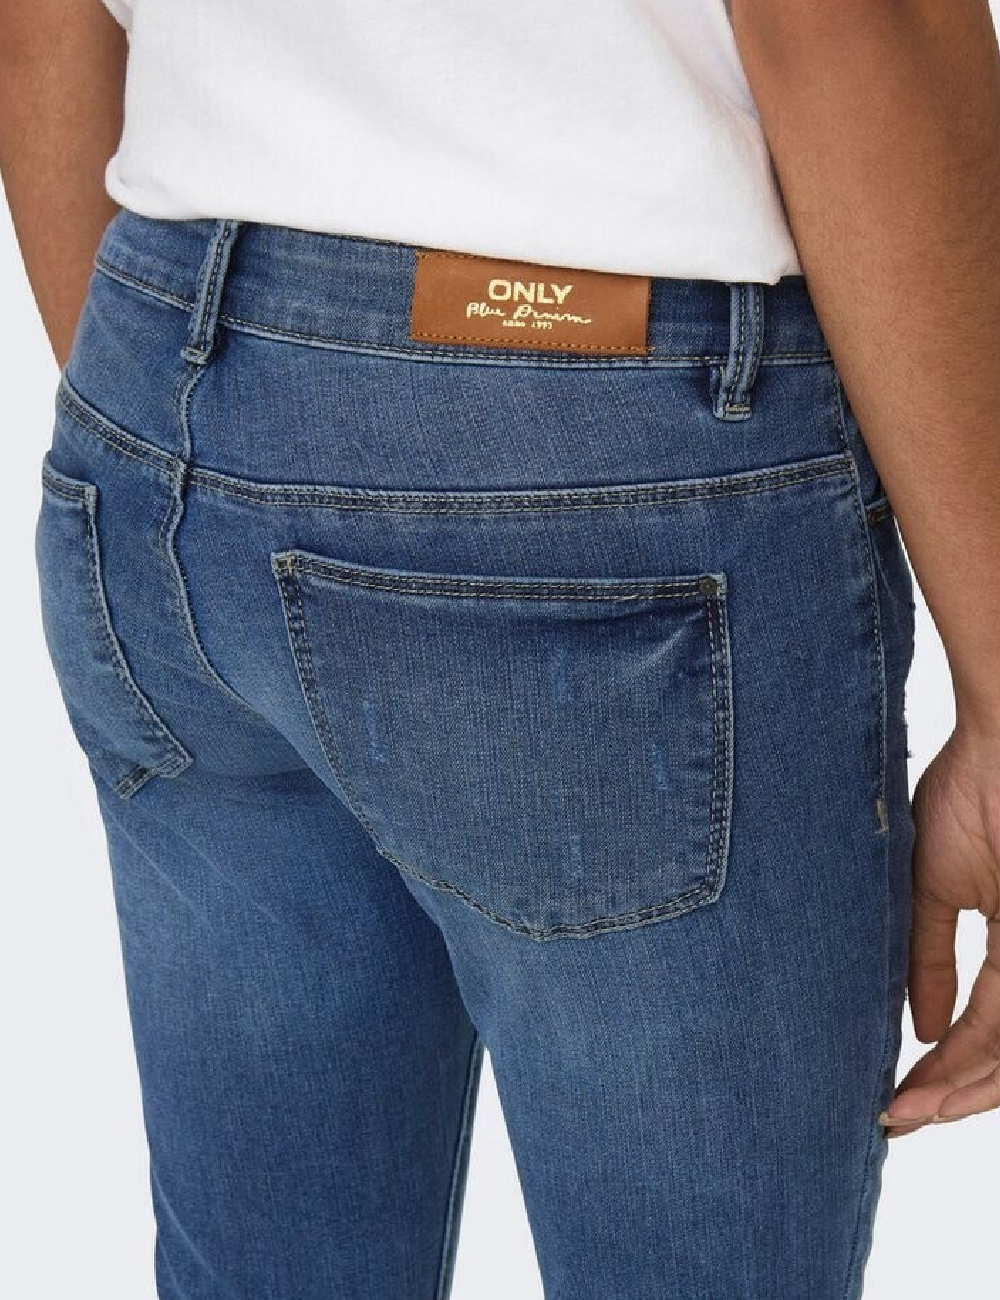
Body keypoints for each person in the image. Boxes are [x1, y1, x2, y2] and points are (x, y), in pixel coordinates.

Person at [2, 2, 998, 1297]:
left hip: (156, 382)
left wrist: (196, 438)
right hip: (598, 407)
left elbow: (37, 26)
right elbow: (851, 20)